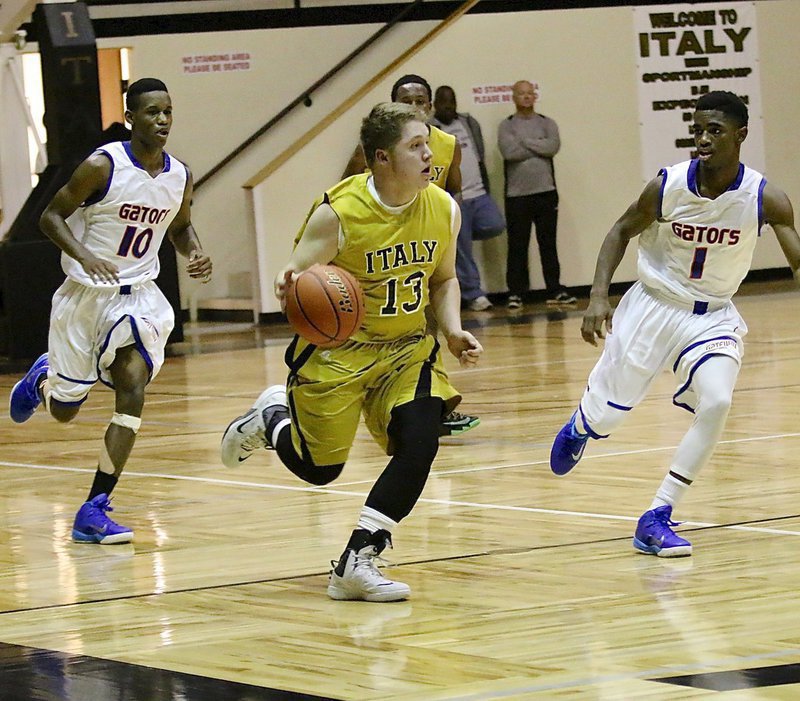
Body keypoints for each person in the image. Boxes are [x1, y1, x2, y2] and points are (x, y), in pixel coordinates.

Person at [221, 102, 483, 601]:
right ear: (380, 159)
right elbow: (298, 275)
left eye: (427, 143)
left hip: (407, 349)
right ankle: (273, 417)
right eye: (415, 146)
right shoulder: (338, 213)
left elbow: (444, 279)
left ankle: (358, 559)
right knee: (321, 471)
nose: (430, 154)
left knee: (421, 440)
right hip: (339, 353)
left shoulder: (442, 207)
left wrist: (451, 332)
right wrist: (289, 282)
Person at [549, 91, 800, 557]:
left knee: (719, 400)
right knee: (609, 414)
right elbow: (620, 230)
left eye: (715, 131)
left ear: (741, 135)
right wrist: (598, 296)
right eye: (698, 129)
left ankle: (657, 514)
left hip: (713, 317)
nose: (703, 139)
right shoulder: (668, 185)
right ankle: (583, 426)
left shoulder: (767, 197)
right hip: (652, 306)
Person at [8, 78, 213, 544]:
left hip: (138, 295)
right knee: (63, 411)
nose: (162, 120)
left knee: (133, 385)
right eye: (151, 112)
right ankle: (44, 380)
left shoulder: (180, 174)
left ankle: (94, 507)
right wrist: (84, 255)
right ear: (130, 118)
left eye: (168, 112)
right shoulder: (103, 166)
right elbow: (50, 217)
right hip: (85, 296)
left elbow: (180, 227)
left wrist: (194, 250)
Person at [343, 73, 478, 437]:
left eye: (421, 101)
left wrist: (449, 230)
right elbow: (348, 187)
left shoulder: (448, 145)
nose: (414, 107)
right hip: (384, 245)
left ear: (430, 106)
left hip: (428, 240)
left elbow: (453, 191)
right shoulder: (374, 151)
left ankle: (431, 402)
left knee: (432, 324)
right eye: (406, 101)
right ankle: (395, 399)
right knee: (408, 329)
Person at [498, 80, 575, 309]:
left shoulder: (547, 123)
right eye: (521, 93)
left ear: (535, 96)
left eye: (530, 93)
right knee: (518, 246)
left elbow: (552, 147)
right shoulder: (506, 125)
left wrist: (525, 142)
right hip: (517, 195)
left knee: (548, 243)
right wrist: (538, 144)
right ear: (514, 97)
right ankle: (516, 293)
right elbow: (508, 152)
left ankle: (555, 289)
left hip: (546, 192)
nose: (526, 97)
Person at [431, 85, 505, 312]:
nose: (448, 106)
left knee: (496, 224)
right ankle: (473, 293)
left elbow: (478, 154)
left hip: (479, 192)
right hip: (456, 198)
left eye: (451, 102)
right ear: (435, 104)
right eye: (443, 102)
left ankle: (457, 242)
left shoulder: (468, 123)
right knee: (461, 248)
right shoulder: (432, 130)